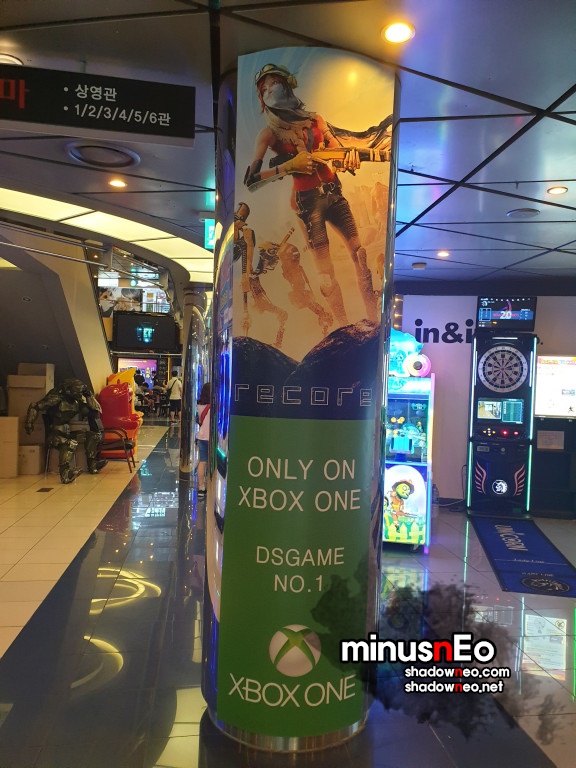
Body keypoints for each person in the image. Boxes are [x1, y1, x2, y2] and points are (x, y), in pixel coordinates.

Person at [244, 63, 391, 326]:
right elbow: (251, 181)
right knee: (325, 274)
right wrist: (289, 166)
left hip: (334, 193)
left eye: (274, 84)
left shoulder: (315, 121)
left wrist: (347, 159)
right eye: (264, 89)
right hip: (308, 202)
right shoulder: (269, 134)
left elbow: (336, 150)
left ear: (287, 84)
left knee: (360, 255)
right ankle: (343, 327)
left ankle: (372, 322)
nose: (270, 91)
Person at [24, 378, 106, 484]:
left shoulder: (77, 402)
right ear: (68, 390)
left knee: (94, 436)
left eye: (81, 391)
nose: (79, 394)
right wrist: (29, 422)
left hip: (67, 432)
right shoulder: (56, 399)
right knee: (69, 443)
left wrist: (89, 395)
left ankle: (92, 465)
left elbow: (96, 410)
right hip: (54, 433)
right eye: (77, 391)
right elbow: (35, 406)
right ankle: (65, 474)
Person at [196, 382, 211, 495]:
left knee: (202, 461)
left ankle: (201, 487)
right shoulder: (215, 405)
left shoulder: (199, 405)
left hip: (201, 436)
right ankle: (211, 484)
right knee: (213, 462)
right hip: (212, 437)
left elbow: (200, 420)